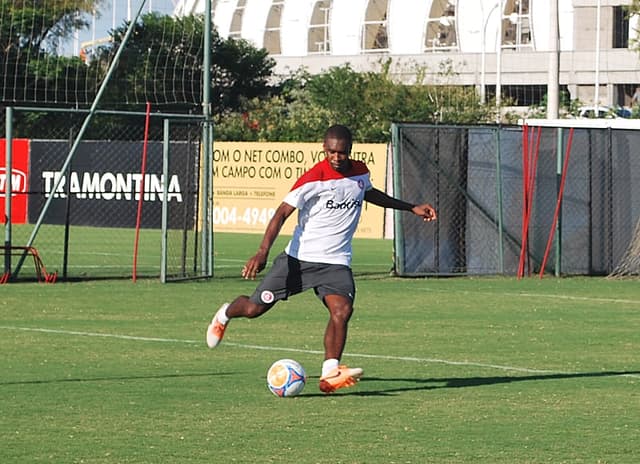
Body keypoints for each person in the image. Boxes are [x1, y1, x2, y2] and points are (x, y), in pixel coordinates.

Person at [206, 124, 437, 393]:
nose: (337, 157)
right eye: (332, 152)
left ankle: (329, 373)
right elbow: (281, 213)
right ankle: (223, 315)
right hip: (299, 260)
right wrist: (262, 251)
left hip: (336, 262)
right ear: (323, 149)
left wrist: (411, 208)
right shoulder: (313, 178)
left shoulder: (360, 171)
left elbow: (369, 193)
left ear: (350, 150)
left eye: (342, 152)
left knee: (342, 311)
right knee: (254, 309)